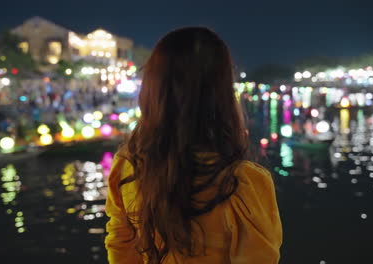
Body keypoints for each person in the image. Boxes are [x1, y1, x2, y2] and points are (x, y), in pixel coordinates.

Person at [105, 27, 282, 264]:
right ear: (222, 94)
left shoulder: (128, 166)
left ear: (153, 90)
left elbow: (121, 248)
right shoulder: (244, 182)